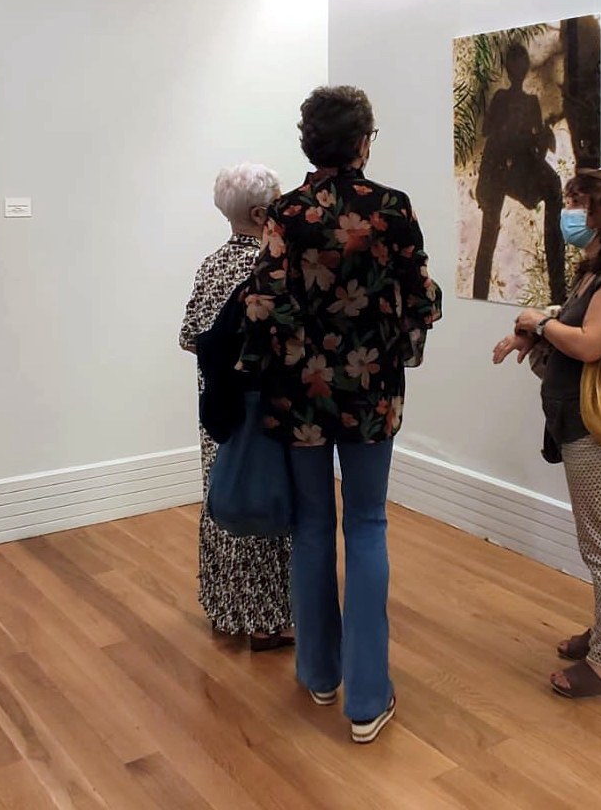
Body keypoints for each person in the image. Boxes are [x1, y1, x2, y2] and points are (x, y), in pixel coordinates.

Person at [239, 87, 442, 742]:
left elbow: (263, 303)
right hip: (370, 392)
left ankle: (319, 674)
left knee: (312, 526)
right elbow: (423, 301)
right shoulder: (391, 208)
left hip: (299, 394)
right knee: (367, 524)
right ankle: (368, 698)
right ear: (362, 142)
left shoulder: (284, 213)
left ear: (310, 142)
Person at [492, 165, 601, 699]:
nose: (567, 213)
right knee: (600, 540)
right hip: (580, 421)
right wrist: (534, 332)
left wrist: (538, 323)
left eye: (576, 202)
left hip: (596, 428)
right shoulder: (600, 269)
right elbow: (577, 321)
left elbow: (588, 343)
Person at [180, 163, 294, 652]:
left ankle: (226, 609)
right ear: (261, 213)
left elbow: (189, 336)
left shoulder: (210, 265)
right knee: (265, 505)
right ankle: (268, 623)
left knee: (223, 500)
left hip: (218, 409)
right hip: (261, 409)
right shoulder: (268, 270)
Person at [473, 43, 567, 305]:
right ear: (509, 68)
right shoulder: (501, 98)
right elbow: (490, 134)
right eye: (514, 63)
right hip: (499, 170)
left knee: (554, 186)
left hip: (520, 169)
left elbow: (535, 149)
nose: (518, 69)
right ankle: (479, 295)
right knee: (488, 234)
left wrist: (543, 136)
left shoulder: (531, 102)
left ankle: (558, 290)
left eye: (521, 63)